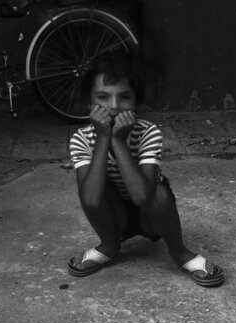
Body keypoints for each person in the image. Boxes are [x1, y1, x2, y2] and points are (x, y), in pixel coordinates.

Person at [67, 51, 224, 287]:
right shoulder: (81, 139)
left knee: (158, 192)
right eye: (102, 97)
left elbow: (142, 196)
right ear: (89, 103)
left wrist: (118, 141)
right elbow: (89, 199)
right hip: (114, 214)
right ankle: (109, 245)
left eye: (125, 97)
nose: (114, 107)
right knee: (94, 184)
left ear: (135, 101)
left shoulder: (149, 132)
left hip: (150, 214)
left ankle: (179, 252)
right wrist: (103, 139)